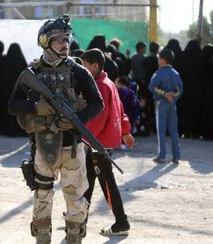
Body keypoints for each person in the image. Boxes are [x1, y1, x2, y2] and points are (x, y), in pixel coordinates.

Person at [8, 14, 104, 244]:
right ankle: (42, 238)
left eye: (67, 39)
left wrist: (76, 119)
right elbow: (12, 106)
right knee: (42, 196)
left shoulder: (78, 71)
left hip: (72, 147)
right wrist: (35, 107)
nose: (65, 44)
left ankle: (74, 238)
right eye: (59, 39)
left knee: (75, 198)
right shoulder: (32, 73)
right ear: (45, 41)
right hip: (43, 146)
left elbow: (97, 103)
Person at [81, 48, 134, 237]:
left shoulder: (100, 85)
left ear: (95, 66)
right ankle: (79, 221)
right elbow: (120, 109)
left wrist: (83, 138)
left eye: (85, 65)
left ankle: (121, 222)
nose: (83, 68)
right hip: (101, 142)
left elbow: (98, 118)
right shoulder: (108, 82)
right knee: (87, 181)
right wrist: (126, 132)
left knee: (106, 184)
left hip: (98, 143)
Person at [148, 49, 183, 163]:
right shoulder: (175, 73)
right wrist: (172, 96)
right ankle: (176, 156)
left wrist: (164, 94)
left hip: (161, 103)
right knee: (174, 130)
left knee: (161, 130)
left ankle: (162, 155)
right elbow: (180, 90)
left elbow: (152, 87)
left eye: (158, 58)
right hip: (172, 104)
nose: (158, 60)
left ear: (162, 60)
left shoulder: (158, 73)